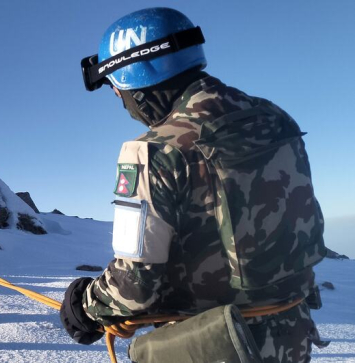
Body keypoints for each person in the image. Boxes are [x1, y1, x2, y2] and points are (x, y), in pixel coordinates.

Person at [61, 7, 326, 363]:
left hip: (213, 347)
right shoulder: (275, 119)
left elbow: (135, 286)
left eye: (114, 85)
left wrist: (86, 306)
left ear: (135, 78)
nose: (116, 97)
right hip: (293, 336)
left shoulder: (153, 150)